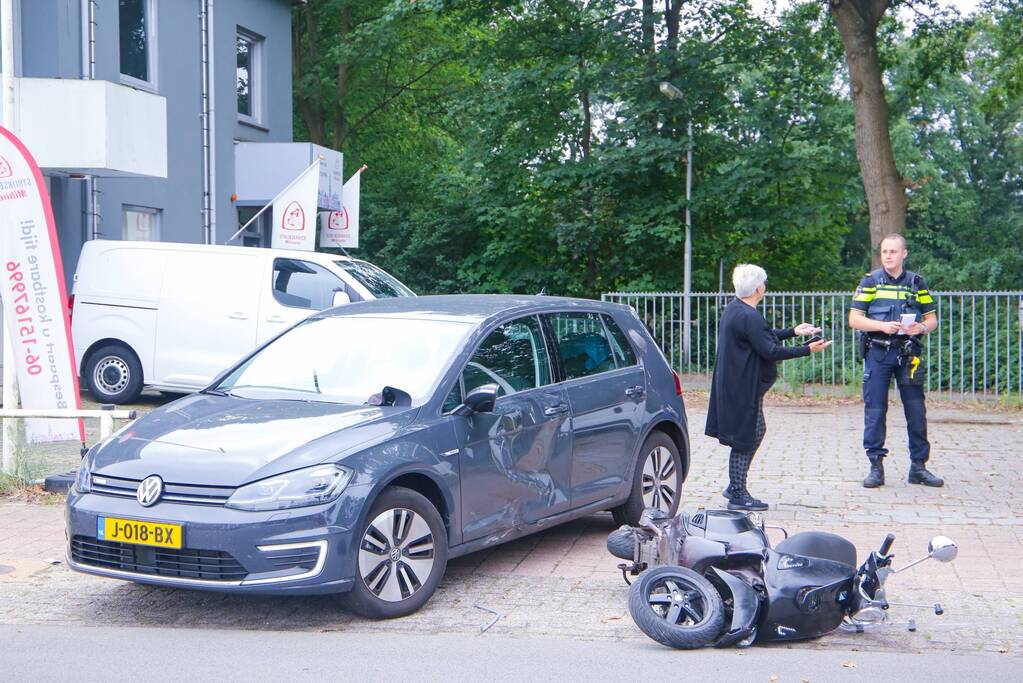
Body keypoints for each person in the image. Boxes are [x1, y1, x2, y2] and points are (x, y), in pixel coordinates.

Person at [706, 264, 830, 511]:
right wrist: (807, 349)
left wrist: (794, 331)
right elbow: (770, 350)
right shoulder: (748, 315)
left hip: (738, 384)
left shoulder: (736, 309)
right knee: (746, 437)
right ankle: (738, 492)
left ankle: (735, 486)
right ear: (758, 288)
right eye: (763, 283)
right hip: (741, 386)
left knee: (755, 431)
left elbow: (761, 335)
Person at [849, 234, 943, 488]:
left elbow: (932, 319)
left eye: (893, 251)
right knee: (876, 411)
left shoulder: (916, 283)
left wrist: (921, 329)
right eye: (884, 251)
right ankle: (876, 467)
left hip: (908, 354)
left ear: (904, 254)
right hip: (878, 353)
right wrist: (881, 325)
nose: (888, 256)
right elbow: (854, 319)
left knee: (916, 411)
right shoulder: (871, 282)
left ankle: (918, 468)